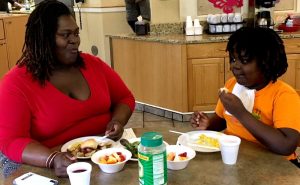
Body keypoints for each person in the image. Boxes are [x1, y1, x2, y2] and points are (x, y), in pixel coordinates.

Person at [0, 0, 135, 177]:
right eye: (65, 35)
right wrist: (52, 158)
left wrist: (117, 121)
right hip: (45, 163)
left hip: (101, 156)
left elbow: (125, 98)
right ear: (44, 39)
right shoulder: (16, 83)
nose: (75, 41)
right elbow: (11, 141)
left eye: (76, 33)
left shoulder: (93, 65)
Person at [190, 27, 300, 167]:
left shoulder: (283, 95)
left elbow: (286, 146)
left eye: (244, 60)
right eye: (233, 59)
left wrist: (241, 113)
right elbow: (222, 120)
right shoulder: (231, 85)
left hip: (276, 167)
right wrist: (208, 124)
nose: (235, 66)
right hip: (238, 159)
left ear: (266, 62)